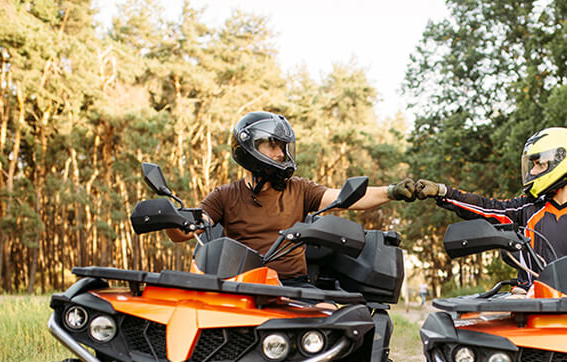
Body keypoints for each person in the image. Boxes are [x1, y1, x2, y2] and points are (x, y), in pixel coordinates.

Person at [167, 111, 415, 285]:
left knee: (332, 330)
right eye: (273, 146)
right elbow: (186, 231)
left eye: (283, 147)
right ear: (250, 147)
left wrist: (392, 191)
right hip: (241, 285)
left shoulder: (299, 189)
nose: (280, 154)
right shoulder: (224, 195)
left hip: (293, 286)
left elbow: (344, 197)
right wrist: (170, 219)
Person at [414, 127, 567, 286]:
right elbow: (488, 207)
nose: (532, 171)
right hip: (531, 304)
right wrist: (444, 192)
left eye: (539, 164)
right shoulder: (526, 207)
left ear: (563, 160)